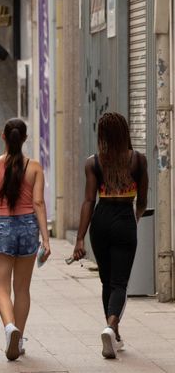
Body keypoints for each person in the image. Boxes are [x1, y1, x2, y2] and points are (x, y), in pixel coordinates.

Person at [71, 112, 148, 359]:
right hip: (124, 218)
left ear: (102, 135)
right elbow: (142, 200)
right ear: (125, 132)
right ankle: (112, 327)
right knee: (120, 283)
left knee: (107, 281)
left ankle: (113, 333)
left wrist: (80, 238)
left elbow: (88, 201)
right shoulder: (138, 160)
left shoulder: (93, 162)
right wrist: (135, 218)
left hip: (100, 221)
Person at [0, 118, 50, 360]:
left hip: (1, 225)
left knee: (1, 287)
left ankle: (9, 327)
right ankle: (19, 340)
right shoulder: (34, 167)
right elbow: (38, 202)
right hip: (28, 226)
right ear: (25, 139)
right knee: (22, 288)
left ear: (3, 136)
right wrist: (46, 239)